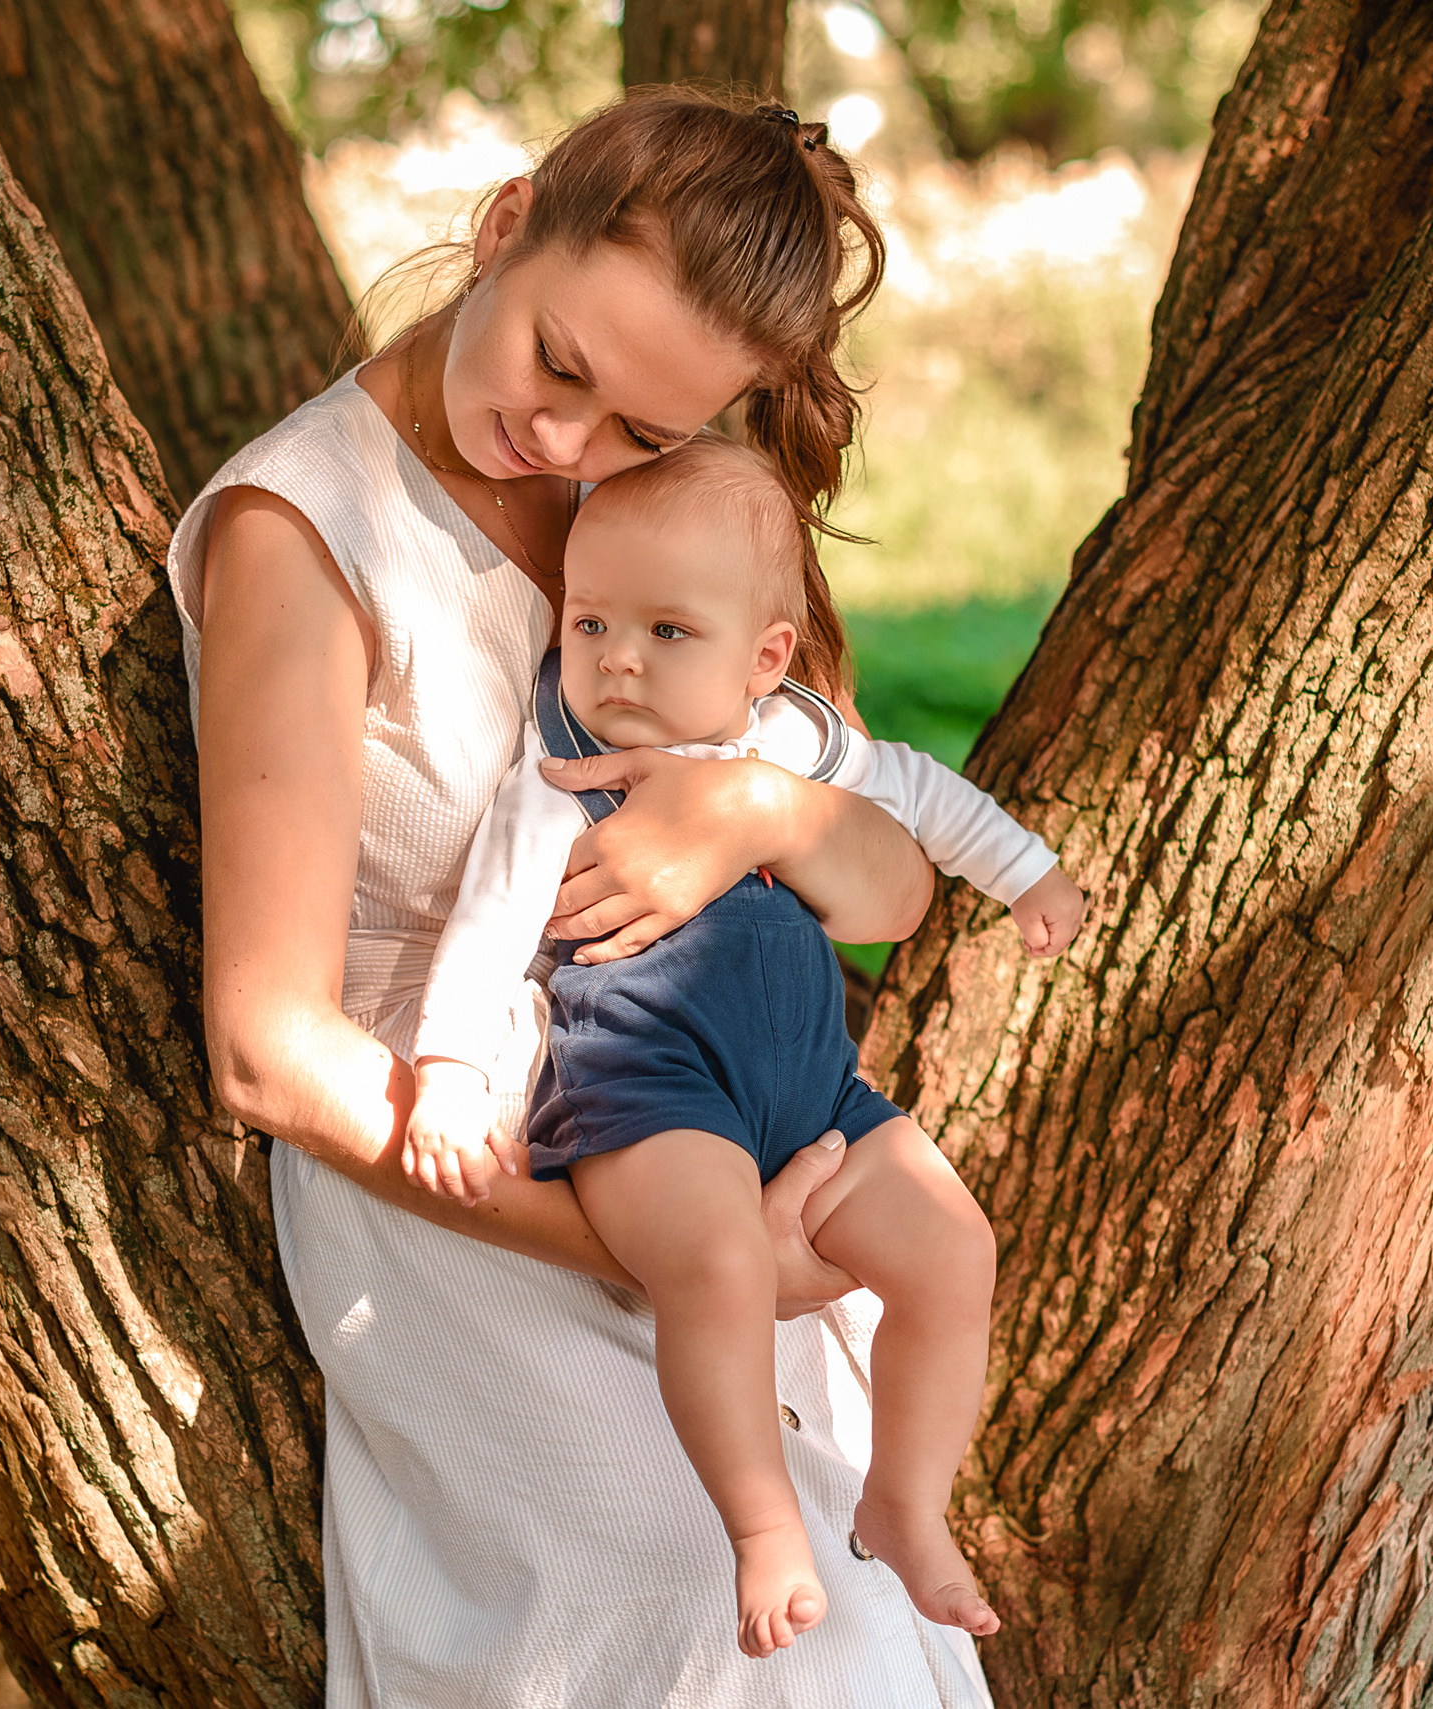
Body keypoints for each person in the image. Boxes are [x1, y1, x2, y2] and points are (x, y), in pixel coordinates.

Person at [171, 88, 995, 1706]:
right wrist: (669, 1252)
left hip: (722, 1156)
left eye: (639, 426)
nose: (567, 446)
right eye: (561, 365)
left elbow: (888, 883)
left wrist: (752, 807)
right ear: (502, 224)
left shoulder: (676, 513)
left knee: (857, 1621)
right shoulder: (309, 533)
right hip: (467, 1195)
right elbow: (269, 1048)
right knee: (711, 1619)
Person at [399, 436, 1086, 1659]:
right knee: (716, 1262)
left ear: (766, 656)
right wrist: (448, 1068)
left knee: (952, 1247)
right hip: (647, 1085)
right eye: (593, 620)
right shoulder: (566, 772)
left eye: (670, 632)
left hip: (816, 1090)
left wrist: (1021, 868)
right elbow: (490, 915)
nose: (618, 657)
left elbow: (917, 795)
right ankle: (763, 1523)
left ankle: (906, 1499)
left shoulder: (790, 743)